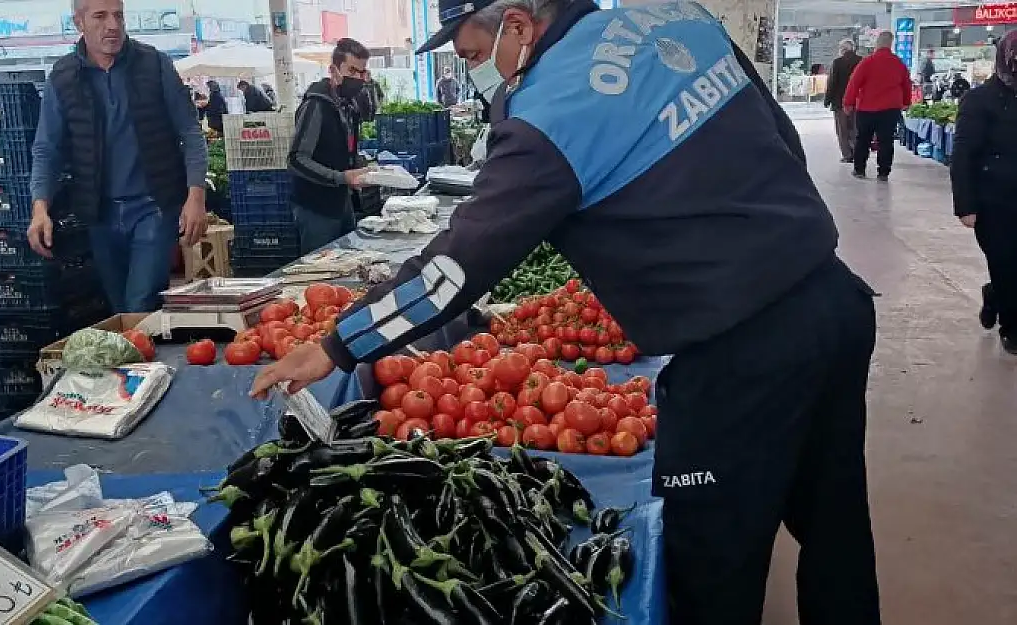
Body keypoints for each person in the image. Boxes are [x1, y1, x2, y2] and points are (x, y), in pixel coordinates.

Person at [253, 2, 881, 625]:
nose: (474, 71)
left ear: (518, 24)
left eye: (472, 54)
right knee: (837, 533)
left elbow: (452, 274)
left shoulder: (548, 118)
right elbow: (784, 141)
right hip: (833, 302)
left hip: (739, 355)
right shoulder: (675, 18)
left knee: (713, 565)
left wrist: (336, 345)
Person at [27, 0, 208, 313]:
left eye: (118, 15)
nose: (112, 24)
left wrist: (196, 197)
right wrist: (39, 208)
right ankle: (145, 361)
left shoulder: (154, 65)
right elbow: (47, 147)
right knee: (118, 307)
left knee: (140, 303)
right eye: (100, 16)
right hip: (100, 214)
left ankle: (142, 358)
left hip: (154, 207)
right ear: (79, 22)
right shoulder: (63, 76)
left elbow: (190, 132)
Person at [951, 31, 1017, 354]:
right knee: (1005, 261)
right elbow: (963, 155)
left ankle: (994, 294)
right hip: (995, 201)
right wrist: (966, 205)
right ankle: (1013, 326)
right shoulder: (979, 101)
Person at [287, 38, 372, 254]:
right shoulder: (316, 105)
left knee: (349, 264)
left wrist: (360, 169)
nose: (357, 78)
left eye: (361, 73)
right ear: (334, 70)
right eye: (352, 71)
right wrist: (342, 177)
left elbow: (366, 119)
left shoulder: (347, 105)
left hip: (342, 202)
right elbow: (296, 160)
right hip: (316, 208)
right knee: (320, 273)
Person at [844, 30, 911, 181]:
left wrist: (848, 102)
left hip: (867, 108)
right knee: (886, 141)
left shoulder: (868, 62)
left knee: (863, 139)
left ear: (877, 44)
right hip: (890, 109)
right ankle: (883, 173)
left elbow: (853, 83)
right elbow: (907, 85)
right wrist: (906, 102)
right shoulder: (898, 63)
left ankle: (859, 170)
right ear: (890, 44)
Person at [824, 38, 863, 163]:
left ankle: (847, 155)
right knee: (855, 129)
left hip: (839, 102)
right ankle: (857, 153)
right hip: (857, 102)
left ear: (843, 49)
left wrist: (827, 100)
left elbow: (832, 83)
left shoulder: (837, 62)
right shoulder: (862, 61)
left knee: (842, 130)